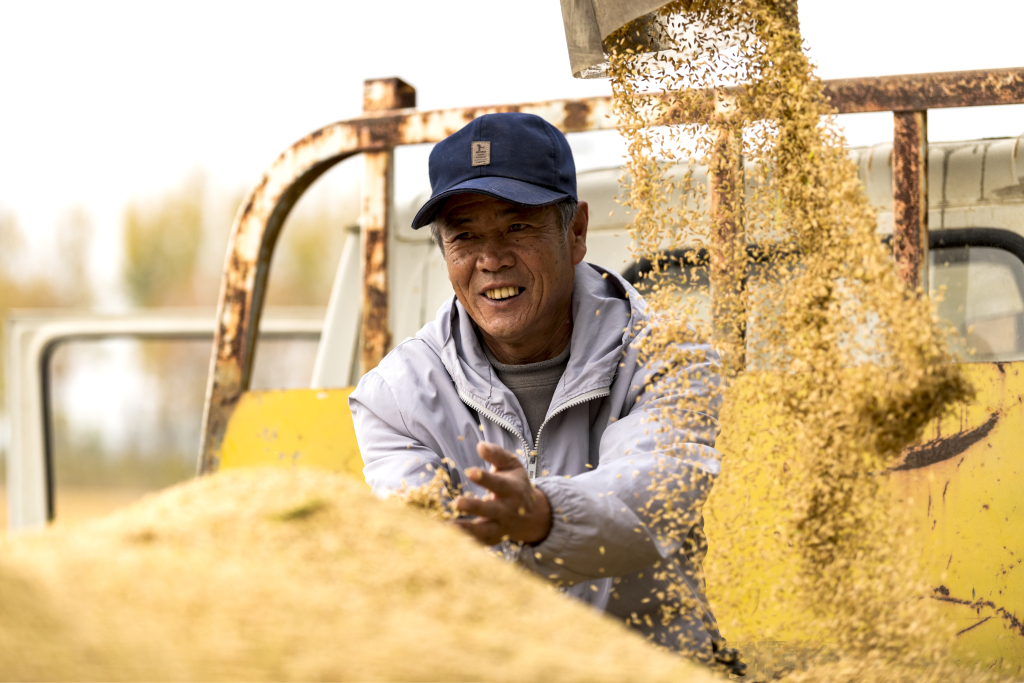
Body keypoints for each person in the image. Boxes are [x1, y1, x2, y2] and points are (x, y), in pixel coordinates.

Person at [349, 112, 731, 663]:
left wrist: (542, 516)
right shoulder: (397, 397)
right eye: (465, 236)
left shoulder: (668, 358)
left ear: (574, 232)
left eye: (517, 227)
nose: (490, 259)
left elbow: (657, 498)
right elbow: (420, 550)